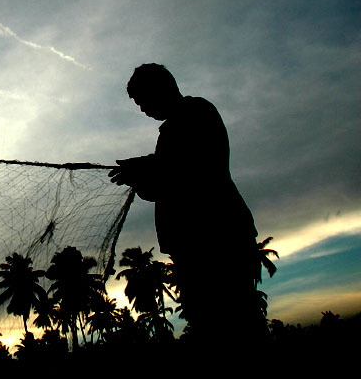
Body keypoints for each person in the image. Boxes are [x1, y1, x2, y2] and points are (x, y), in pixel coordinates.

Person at [108, 63, 263, 344]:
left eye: (144, 100)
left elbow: (190, 170)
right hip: (192, 247)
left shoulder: (196, 113)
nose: (143, 109)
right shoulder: (172, 128)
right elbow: (165, 186)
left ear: (163, 88)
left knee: (234, 324)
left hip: (218, 241)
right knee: (210, 324)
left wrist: (145, 168)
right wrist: (141, 176)